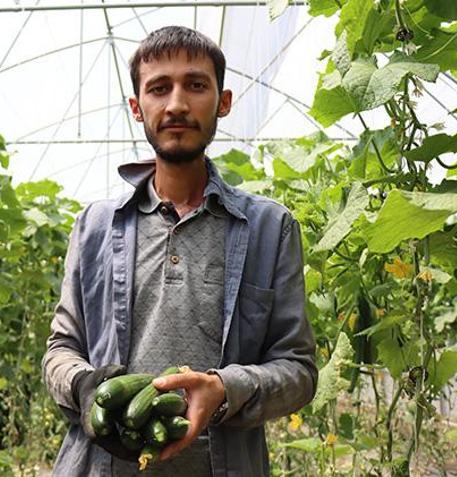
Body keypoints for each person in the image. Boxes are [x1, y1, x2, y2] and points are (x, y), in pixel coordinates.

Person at [42, 25, 317, 476]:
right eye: (158, 88)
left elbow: (299, 371)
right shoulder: (94, 226)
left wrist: (224, 390)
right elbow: (61, 348)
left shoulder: (271, 229)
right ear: (137, 107)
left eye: (195, 85)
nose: (176, 104)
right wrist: (84, 385)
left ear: (223, 102)